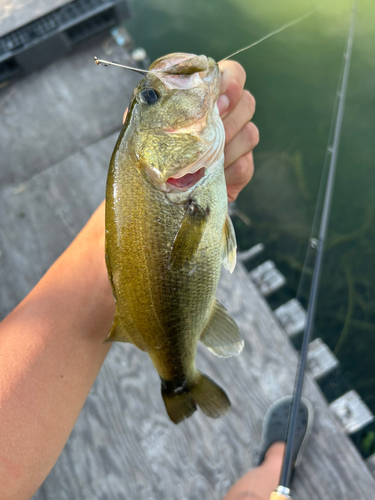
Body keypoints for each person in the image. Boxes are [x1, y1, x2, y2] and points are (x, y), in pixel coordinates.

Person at [0, 60, 261, 499]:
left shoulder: (162, 170)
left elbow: (154, 222)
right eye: (150, 98)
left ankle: (177, 380)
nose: (155, 93)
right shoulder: (160, 167)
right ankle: (180, 380)